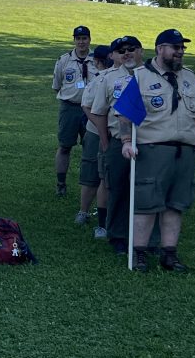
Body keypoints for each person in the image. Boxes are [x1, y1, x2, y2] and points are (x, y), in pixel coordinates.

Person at [114, 28, 195, 273]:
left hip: (185, 151)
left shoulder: (190, 77)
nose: (180, 52)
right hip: (152, 150)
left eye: (182, 48)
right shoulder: (140, 77)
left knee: (176, 204)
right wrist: (127, 141)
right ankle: (139, 254)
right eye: (175, 47)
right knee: (146, 204)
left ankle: (169, 255)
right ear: (160, 49)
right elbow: (124, 114)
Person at [89, 36, 143, 254]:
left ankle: (145, 235)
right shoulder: (108, 79)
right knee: (118, 188)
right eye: (122, 51)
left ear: (141, 51)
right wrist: (104, 139)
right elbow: (98, 111)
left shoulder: (151, 75)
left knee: (147, 189)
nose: (126, 53)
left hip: (149, 141)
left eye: (131, 49)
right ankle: (118, 236)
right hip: (118, 141)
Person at [52, 25, 94, 197]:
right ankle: (61, 183)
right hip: (70, 108)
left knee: (90, 148)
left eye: (84, 38)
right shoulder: (64, 60)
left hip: (92, 111)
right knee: (64, 146)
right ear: (74, 40)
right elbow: (57, 86)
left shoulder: (98, 59)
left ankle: (89, 184)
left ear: (89, 39)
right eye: (78, 38)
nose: (81, 42)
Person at [76, 44, 114, 235]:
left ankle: (105, 216)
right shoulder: (98, 80)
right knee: (91, 173)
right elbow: (86, 105)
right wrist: (101, 128)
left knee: (106, 177)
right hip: (94, 133)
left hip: (114, 134)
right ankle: (83, 211)